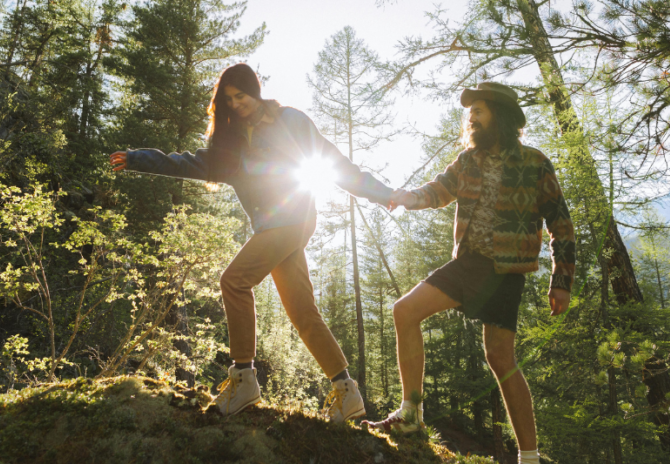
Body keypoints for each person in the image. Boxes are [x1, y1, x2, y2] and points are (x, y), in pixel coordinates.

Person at [110, 63, 394, 422]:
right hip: (270, 228)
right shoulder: (230, 146)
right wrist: (138, 159)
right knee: (302, 312)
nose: (236, 104)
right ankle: (346, 391)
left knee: (234, 280)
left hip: (295, 217)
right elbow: (188, 163)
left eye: (240, 95)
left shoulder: (289, 120)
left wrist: (380, 193)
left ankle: (244, 378)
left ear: (255, 91)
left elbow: (334, 163)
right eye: (228, 100)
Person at [363, 82, 575, 464]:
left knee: (500, 358)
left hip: (507, 272)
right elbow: (437, 191)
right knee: (405, 310)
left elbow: (561, 225)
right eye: (470, 112)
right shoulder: (467, 161)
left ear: (501, 116)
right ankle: (411, 414)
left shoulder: (534, 163)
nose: (472, 117)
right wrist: (405, 197)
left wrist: (561, 283)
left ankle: (529, 456)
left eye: (479, 110)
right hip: (468, 265)